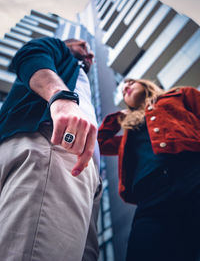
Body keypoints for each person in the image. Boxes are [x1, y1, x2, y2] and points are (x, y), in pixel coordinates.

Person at [0, 37, 102, 261]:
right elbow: (30, 54)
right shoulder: (59, 52)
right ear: (68, 44)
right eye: (83, 46)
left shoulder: (81, 77)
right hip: (52, 144)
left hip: (82, 173)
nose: (90, 54)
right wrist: (61, 98)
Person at [98, 78, 200, 261]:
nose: (125, 88)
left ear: (145, 84)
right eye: (122, 91)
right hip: (149, 196)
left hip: (192, 174)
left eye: (130, 83)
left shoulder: (180, 95)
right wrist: (118, 119)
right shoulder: (129, 133)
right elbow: (100, 144)